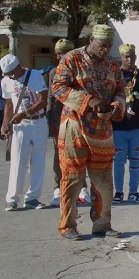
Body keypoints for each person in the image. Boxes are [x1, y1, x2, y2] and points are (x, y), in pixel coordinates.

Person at [51, 24, 125, 240]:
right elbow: (58, 87)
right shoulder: (72, 59)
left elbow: (120, 90)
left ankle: (102, 224)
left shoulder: (113, 64)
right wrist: (89, 101)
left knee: (103, 180)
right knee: (73, 178)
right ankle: (68, 225)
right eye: (102, 45)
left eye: (109, 46)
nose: (105, 50)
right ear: (91, 39)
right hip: (74, 127)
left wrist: (114, 108)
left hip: (103, 130)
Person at [1, 54, 49, 211]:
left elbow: (43, 100)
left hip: (39, 123)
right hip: (20, 126)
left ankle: (32, 198)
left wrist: (25, 113)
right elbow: (8, 105)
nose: (11, 77)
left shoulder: (35, 75)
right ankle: (12, 199)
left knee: (37, 161)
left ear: (19, 66)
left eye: (13, 73)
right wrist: (4, 125)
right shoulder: (6, 81)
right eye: (8, 75)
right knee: (17, 161)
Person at [112, 44, 139, 203]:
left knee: (136, 160)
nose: (129, 59)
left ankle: (134, 192)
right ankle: (118, 192)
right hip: (117, 128)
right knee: (118, 161)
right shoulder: (114, 77)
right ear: (121, 58)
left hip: (138, 128)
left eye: (132, 56)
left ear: (136, 57)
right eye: (126, 56)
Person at [47, 39, 88, 207]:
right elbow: (51, 98)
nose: (60, 57)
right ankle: (59, 188)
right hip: (59, 120)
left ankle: (83, 188)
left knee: (80, 154)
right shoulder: (53, 73)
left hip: (77, 120)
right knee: (59, 156)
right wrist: (51, 120)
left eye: (63, 53)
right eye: (58, 54)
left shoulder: (81, 71)